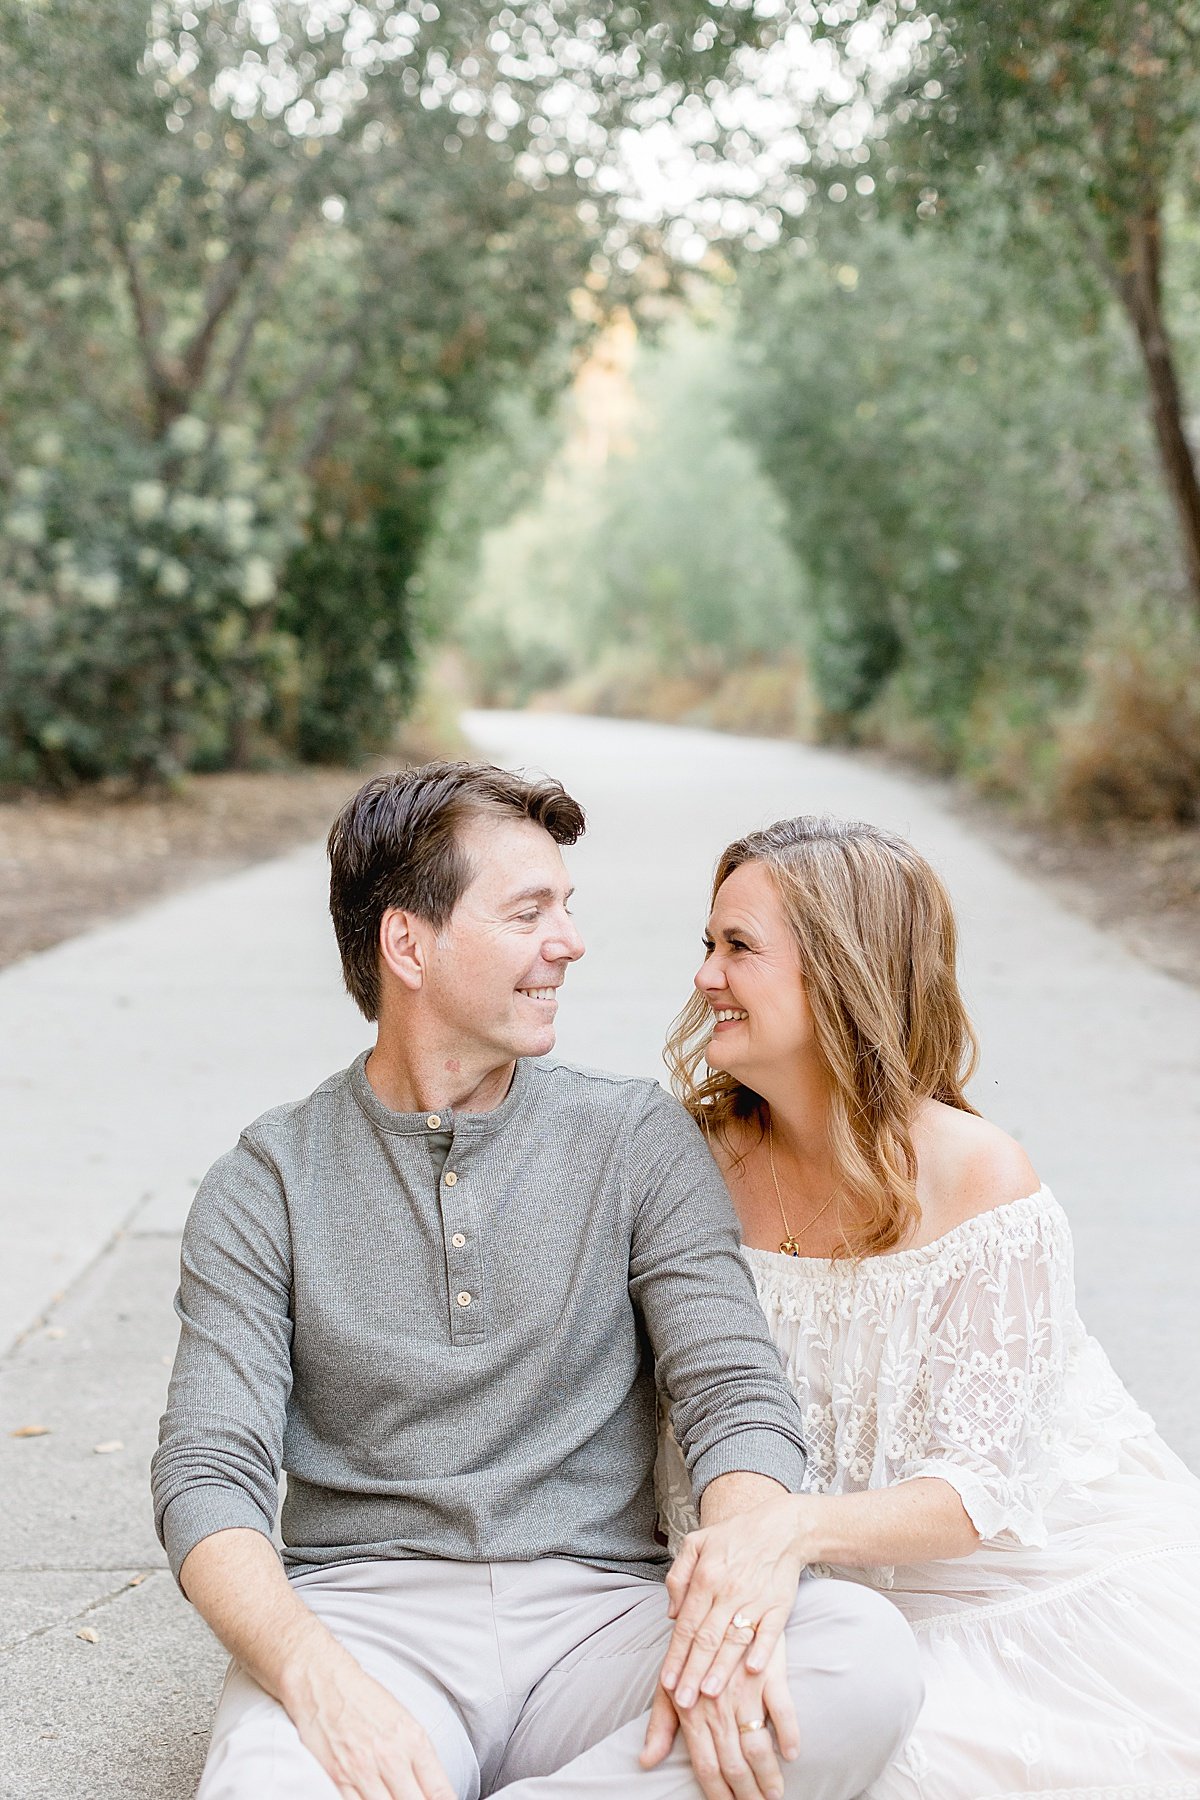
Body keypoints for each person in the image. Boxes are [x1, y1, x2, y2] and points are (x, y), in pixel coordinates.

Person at [152, 764, 921, 1800]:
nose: (569, 941)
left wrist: (742, 1574)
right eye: (529, 912)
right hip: (368, 1624)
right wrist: (310, 1671)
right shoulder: (268, 1180)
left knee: (860, 1659)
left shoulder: (633, 1137)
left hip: (604, 1619)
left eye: (566, 907)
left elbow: (733, 1391)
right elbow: (208, 1476)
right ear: (406, 944)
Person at [654, 813, 1200, 1796]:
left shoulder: (980, 1181)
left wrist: (789, 1532)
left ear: (843, 972)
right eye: (708, 944)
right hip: (781, 1584)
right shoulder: (687, 1160)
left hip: (1000, 1592)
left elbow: (977, 1493)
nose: (705, 977)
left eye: (738, 947)